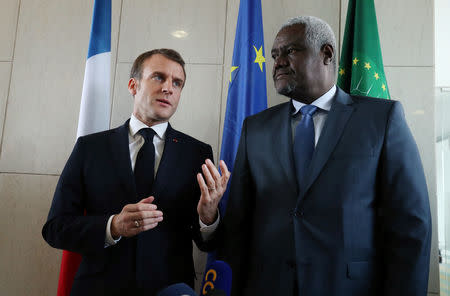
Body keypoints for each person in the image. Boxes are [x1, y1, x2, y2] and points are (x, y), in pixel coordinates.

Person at [217, 16, 431, 296]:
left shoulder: (382, 119)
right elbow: (239, 226)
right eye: (274, 55)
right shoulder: (254, 128)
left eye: (290, 51)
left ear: (327, 54)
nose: (278, 62)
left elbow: (411, 226)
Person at [42, 48, 230, 296]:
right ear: (133, 85)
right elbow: (56, 228)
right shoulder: (90, 148)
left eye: (177, 83)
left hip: (169, 288)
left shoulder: (196, 153)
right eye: (159, 77)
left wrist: (208, 217)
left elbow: (208, 243)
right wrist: (113, 226)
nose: (168, 88)